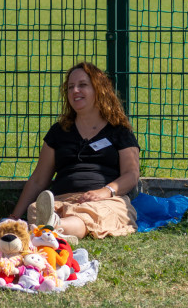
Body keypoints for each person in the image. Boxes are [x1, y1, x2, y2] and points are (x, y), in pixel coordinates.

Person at [10, 61, 140, 242]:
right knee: (35, 209)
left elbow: (131, 174)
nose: (75, 91)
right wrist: (14, 218)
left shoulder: (119, 131)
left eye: (83, 85)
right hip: (61, 202)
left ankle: (52, 228)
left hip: (104, 202)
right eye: (70, 87)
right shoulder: (58, 131)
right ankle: (54, 227)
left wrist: (105, 191)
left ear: (99, 89)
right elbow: (39, 180)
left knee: (95, 213)